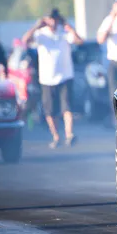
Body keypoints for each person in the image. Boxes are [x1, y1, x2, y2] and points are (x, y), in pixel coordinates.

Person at [21, 9, 84, 148]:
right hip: (47, 78)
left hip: (65, 76)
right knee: (50, 111)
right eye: (50, 19)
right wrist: (37, 26)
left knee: (67, 107)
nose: (53, 22)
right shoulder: (40, 34)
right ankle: (56, 136)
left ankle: (69, 134)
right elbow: (25, 40)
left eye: (55, 19)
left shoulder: (64, 32)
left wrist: (69, 27)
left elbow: (79, 41)